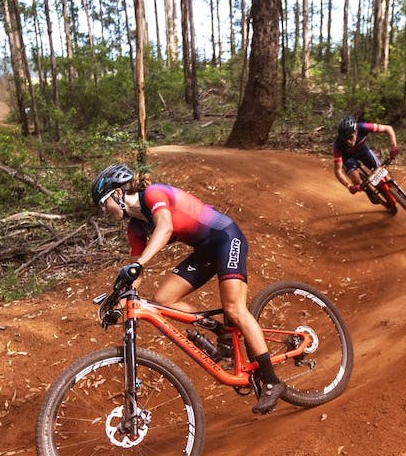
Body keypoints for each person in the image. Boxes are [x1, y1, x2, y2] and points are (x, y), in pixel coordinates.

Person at [90, 163, 286, 415]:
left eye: (103, 203)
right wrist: (118, 303)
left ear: (117, 193)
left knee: (234, 309)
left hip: (226, 238)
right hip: (204, 250)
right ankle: (222, 332)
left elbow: (165, 227)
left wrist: (138, 264)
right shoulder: (135, 228)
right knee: (163, 299)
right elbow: (135, 272)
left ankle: (271, 381)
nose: (104, 210)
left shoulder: (153, 194)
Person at [332, 115, 400, 201]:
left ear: (356, 132)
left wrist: (394, 146)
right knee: (356, 181)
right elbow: (337, 171)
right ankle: (368, 191)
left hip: (362, 150)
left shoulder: (363, 127)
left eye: (350, 137)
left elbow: (388, 128)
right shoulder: (338, 146)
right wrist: (348, 186)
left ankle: (395, 190)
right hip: (348, 158)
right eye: (345, 139)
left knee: (383, 172)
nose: (348, 141)